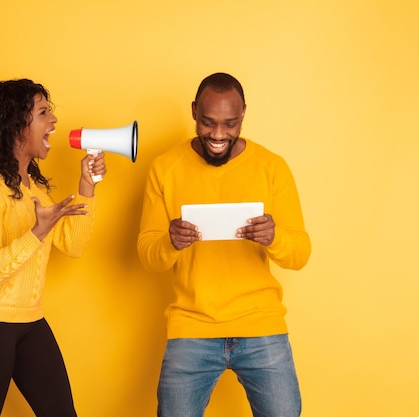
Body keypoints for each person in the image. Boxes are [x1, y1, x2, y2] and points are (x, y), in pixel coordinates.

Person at [137, 72, 311, 417]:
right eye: (208, 122)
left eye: (230, 124)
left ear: (243, 114)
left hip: (261, 326)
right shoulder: (165, 168)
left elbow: (300, 254)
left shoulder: (271, 168)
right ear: (194, 112)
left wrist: (274, 238)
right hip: (192, 327)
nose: (218, 134)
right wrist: (170, 243)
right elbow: (148, 255)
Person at [0, 79, 106, 417]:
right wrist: (37, 232)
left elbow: (72, 244)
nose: (53, 121)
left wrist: (87, 186)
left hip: (30, 322)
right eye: (43, 112)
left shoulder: (33, 187)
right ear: (16, 124)